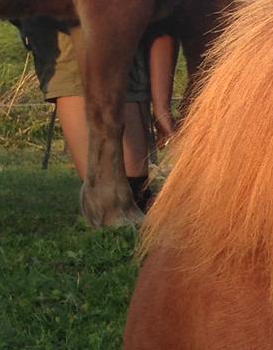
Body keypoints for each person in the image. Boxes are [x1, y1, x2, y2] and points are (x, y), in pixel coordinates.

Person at [18, 18, 178, 210]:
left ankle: (127, 201)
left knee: (132, 194)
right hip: (70, 25)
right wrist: (161, 109)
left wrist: (162, 109)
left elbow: (164, 23)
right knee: (73, 66)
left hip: (126, 33)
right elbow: (164, 23)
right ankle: (114, 204)